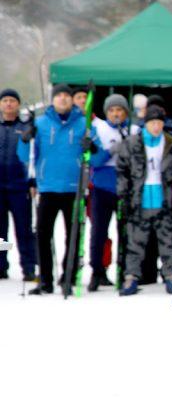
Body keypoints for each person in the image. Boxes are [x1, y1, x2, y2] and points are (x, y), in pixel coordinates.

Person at [17, 84, 102, 294]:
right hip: (48, 187)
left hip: (74, 189)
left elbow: (98, 158)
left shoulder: (84, 123)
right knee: (43, 235)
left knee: (73, 234)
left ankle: (68, 276)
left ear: (72, 100)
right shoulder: (41, 123)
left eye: (66, 96)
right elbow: (24, 155)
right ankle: (45, 279)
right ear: (53, 99)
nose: (63, 99)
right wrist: (26, 139)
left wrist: (92, 147)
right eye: (59, 96)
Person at [116, 105, 172, 296]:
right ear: (145, 123)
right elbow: (122, 171)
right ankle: (131, 276)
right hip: (140, 199)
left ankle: (171, 275)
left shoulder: (170, 143)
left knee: (168, 240)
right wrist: (123, 195)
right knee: (135, 241)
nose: (156, 126)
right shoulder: (132, 143)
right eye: (152, 122)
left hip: (165, 198)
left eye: (159, 122)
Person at [88, 93, 138, 291]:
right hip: (102, 186)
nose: (116, 114)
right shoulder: (97, 129)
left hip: (125, 187)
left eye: (120, 110)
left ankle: (124, 269)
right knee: (99, 232)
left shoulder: (134, 129)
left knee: (125, 232)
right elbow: (94, 160)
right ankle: (97, 271)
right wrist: (110, 151)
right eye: (112, 110)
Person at [0, 88, 37, 281]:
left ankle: (28, 266)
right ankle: (1, 264)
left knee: (23, 229)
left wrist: (32, 180)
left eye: (12, 101)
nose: (8, 104)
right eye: (5, 100)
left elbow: (32, 155)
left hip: (19, 185)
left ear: (17, 104)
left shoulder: (26, 127)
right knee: (0, 233)